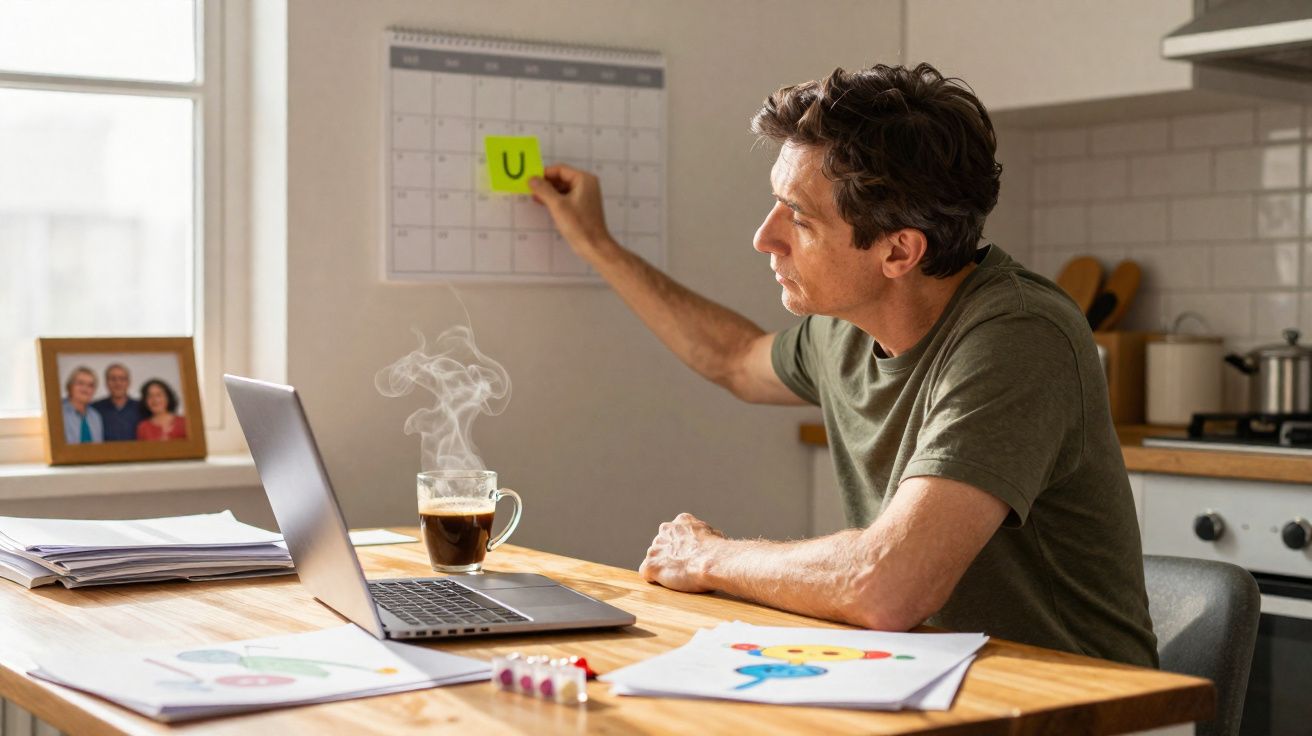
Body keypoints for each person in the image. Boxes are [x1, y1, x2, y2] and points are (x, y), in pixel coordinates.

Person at [527, 63, 1157, 667]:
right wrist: (595, 244)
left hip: (1082, 710)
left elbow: (887, 586)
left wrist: (709, 557)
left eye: (797, 217)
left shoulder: (1017, 336)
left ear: (899, 250)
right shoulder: (848, 324)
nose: (764, 237)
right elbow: (733, 359)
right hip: (929, 682)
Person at [91, 363, 143, 442]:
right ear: (106, 383)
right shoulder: (94, 409)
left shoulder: (142, 407)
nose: (118, 383)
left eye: (122, 379)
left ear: (128, 382)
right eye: (113, 379)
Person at [61, 366, 104, 444]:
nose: (85, 389)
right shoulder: (58, 414)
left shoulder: (96, 416)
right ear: (70, 386)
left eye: (90, 385)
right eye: (80, 383)